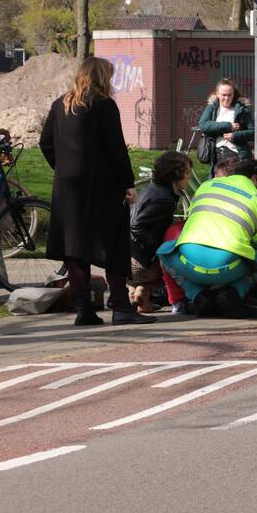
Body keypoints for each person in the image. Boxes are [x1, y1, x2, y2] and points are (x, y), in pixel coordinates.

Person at [40, 57, 154, 326]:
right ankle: (121, 306)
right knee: (114, 244)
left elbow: (45, 142)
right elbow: (116, 150)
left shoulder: (60, 105)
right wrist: (127, 183)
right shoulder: (103, 105)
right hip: (102, 185)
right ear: (102, 77)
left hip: (67, 187)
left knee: (75, 246)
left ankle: (84, 309)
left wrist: (63, 166)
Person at [157, 159, 257, 317]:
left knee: (164, 251)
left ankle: (197, 295)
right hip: (230, 267)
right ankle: (234, 292)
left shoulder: (205, 187)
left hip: (189, 263)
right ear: (254, 179)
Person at [128, 151, 192, 314]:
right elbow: (137, 226)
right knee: (177, 261)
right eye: (187, 173)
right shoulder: (164, 198)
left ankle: (138, 295)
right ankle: (141, 289)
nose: (189, 177)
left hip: (126, 253)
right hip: (137, 260)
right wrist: (155, 250)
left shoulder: (152, 189)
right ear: (175, 174)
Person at [198, 78, 254, 177]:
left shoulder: (242, 109)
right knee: (218, 188)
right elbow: (203, 125)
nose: (226, 98)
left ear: (234, 94)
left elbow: (254, 133)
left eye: (229, 95)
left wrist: (235, 135)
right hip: (216, 155)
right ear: (217, 94)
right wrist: (228, 126)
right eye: (223, 95)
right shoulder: (212, 108)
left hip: (236, 155)